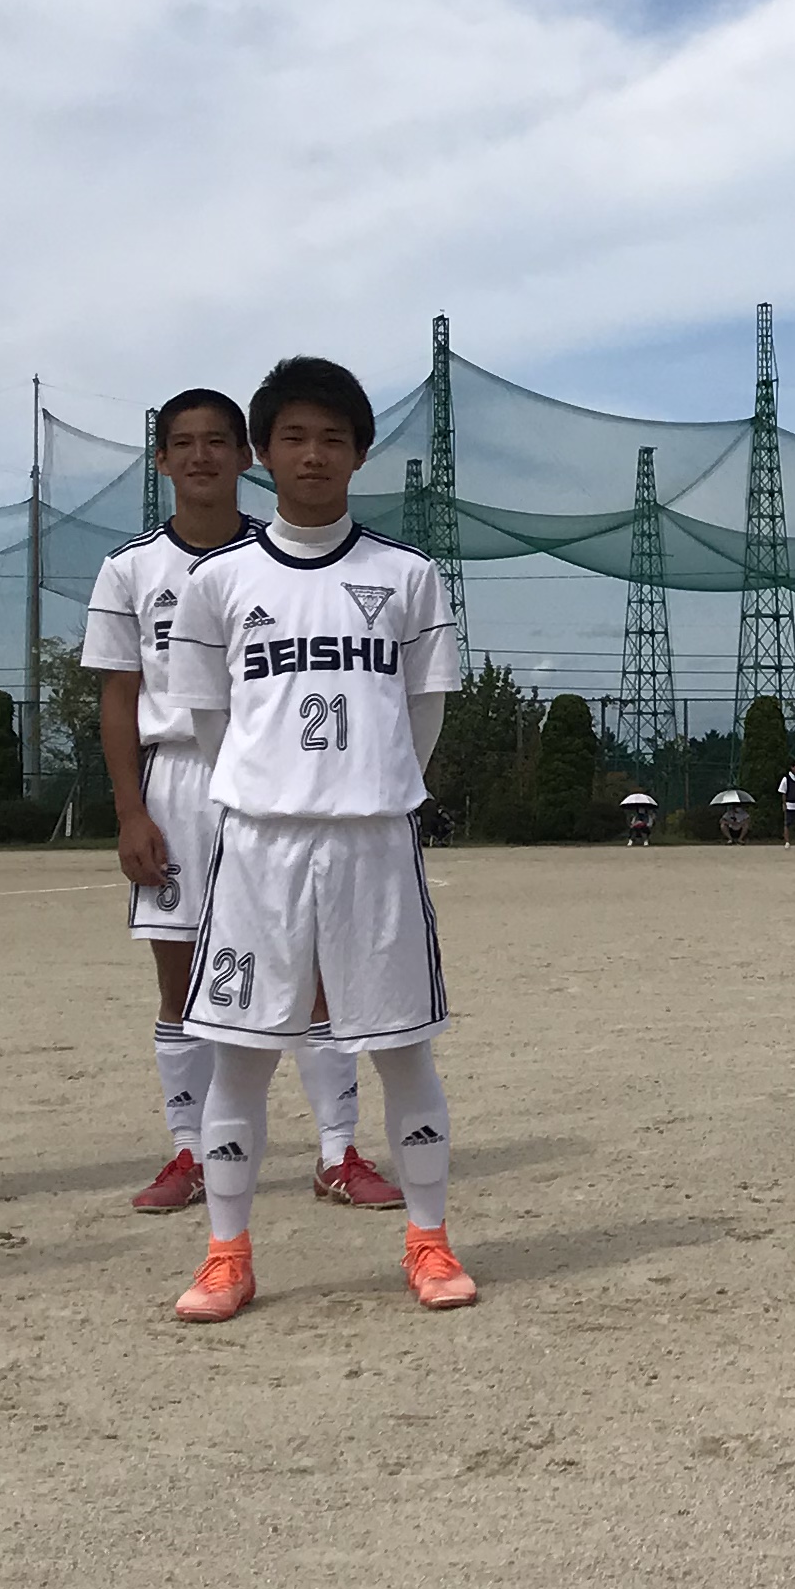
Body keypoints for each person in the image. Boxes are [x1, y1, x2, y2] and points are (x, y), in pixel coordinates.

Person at [151, 356, 475, 1320]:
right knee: (241, 1054)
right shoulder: (218, 582)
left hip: (374, 840)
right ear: (262, 453)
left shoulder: (407, 576)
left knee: (403, 1049)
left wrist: (368, 784)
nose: (313, 454)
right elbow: (210, 721)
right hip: (260, 845)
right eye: (293, 437)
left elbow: (423, 712)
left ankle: (428, 1241)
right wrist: (274, 788)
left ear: (360, 454)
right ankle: (227, 1255)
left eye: (333, 438)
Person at [80, 388, 392, 1214]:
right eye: (183, 443)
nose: (201, 456)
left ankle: (338, 1150)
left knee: (314, 971)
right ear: (161, 460)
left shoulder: (281, 558)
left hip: (273, 782)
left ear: (246, 455)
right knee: (181, 977)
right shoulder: (130, 568)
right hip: (178, 780)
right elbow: (118, 697)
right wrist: (130, 811)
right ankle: (189, 1151)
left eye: (218, 441)